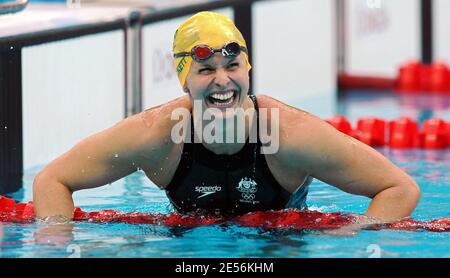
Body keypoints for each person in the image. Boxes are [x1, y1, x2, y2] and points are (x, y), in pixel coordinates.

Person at [33, 11, 420, 223]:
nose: (223, 82)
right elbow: (53, 179)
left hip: (279, 252)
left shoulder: (291, 135)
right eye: (206, 71)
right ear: (185, 80)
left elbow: (400, 189)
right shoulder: (155, 136)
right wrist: (57, 241)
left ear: (247, 68)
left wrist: (348, 239)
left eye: (233, 66)